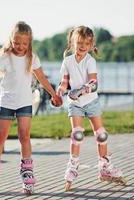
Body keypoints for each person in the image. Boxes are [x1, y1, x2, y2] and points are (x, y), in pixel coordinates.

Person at [0, 21, 62, 195]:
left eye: (24, 43)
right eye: (17, 42)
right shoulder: (5, 56)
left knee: (24, 136)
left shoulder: (32, 57)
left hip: (24, 102)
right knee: (1, 136)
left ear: (29, 42)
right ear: (11, 39)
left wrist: (54, 94)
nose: (20, 46)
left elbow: (42, 78)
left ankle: (27, 171)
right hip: (7, 102)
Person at [56, 26, 126, 191]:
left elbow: (94, 84)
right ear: (73, 42)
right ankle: (72, 166)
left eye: (87, 43)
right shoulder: (67, 61)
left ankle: (104, 167)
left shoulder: (90, 61)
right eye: (79, 42)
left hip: (91, 102)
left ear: (91, 44)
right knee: (77, 134)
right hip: (75, 104)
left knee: (101, 134)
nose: (83, 46)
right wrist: (61, 90)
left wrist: (80, 90)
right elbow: (65, 81)